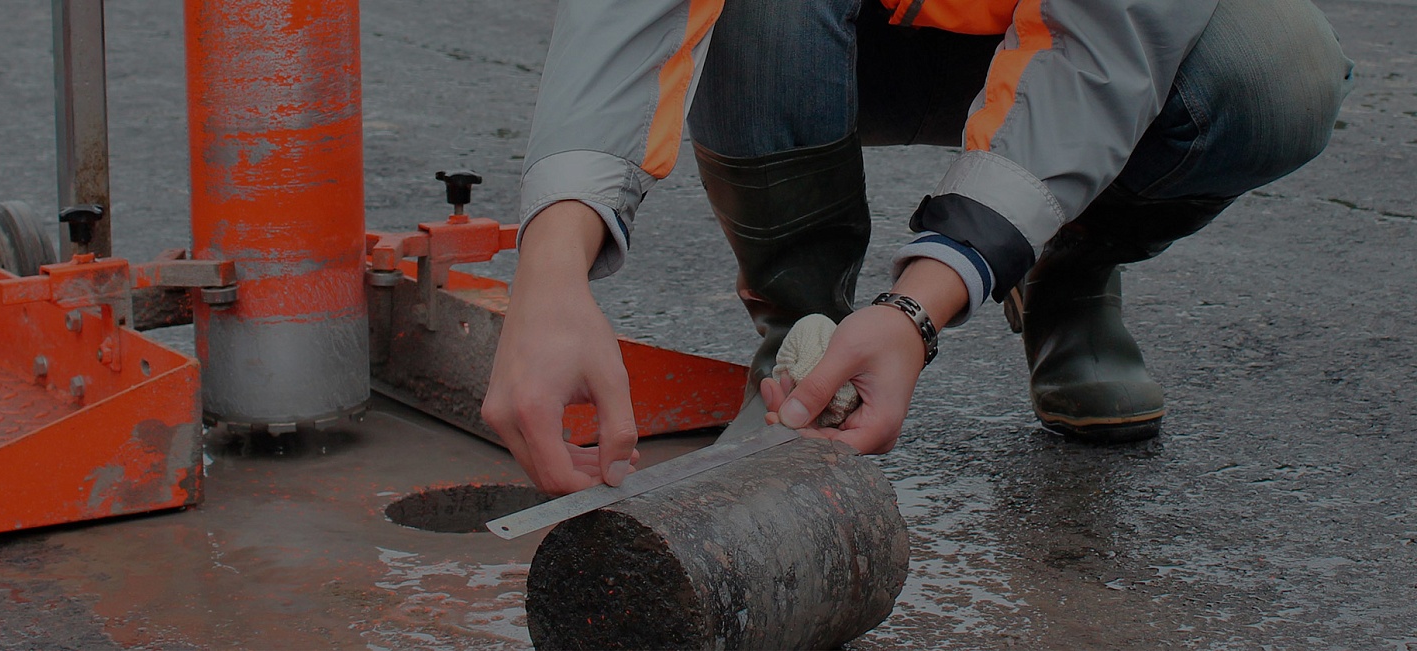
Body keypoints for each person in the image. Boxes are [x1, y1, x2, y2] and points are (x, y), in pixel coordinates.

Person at [481, 0, 1354, 495]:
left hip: (1087, 44)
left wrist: (916, 308)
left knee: (1278, 74)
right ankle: (805, 353)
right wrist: (550, 270)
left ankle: (1068, 262)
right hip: (834, 38)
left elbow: (1112, 40)